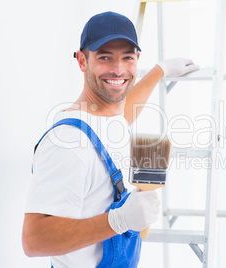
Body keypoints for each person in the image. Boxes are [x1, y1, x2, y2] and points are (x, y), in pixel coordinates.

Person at [22, 11, 198, 267]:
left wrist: (160, 71)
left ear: (137, 59)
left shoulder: (108, 118)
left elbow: (123, 113)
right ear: (82, 61)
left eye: (127, 57)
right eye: (105, 57)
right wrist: (118, 221)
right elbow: (33, 240)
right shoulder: (67, 143)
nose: (118, 69)